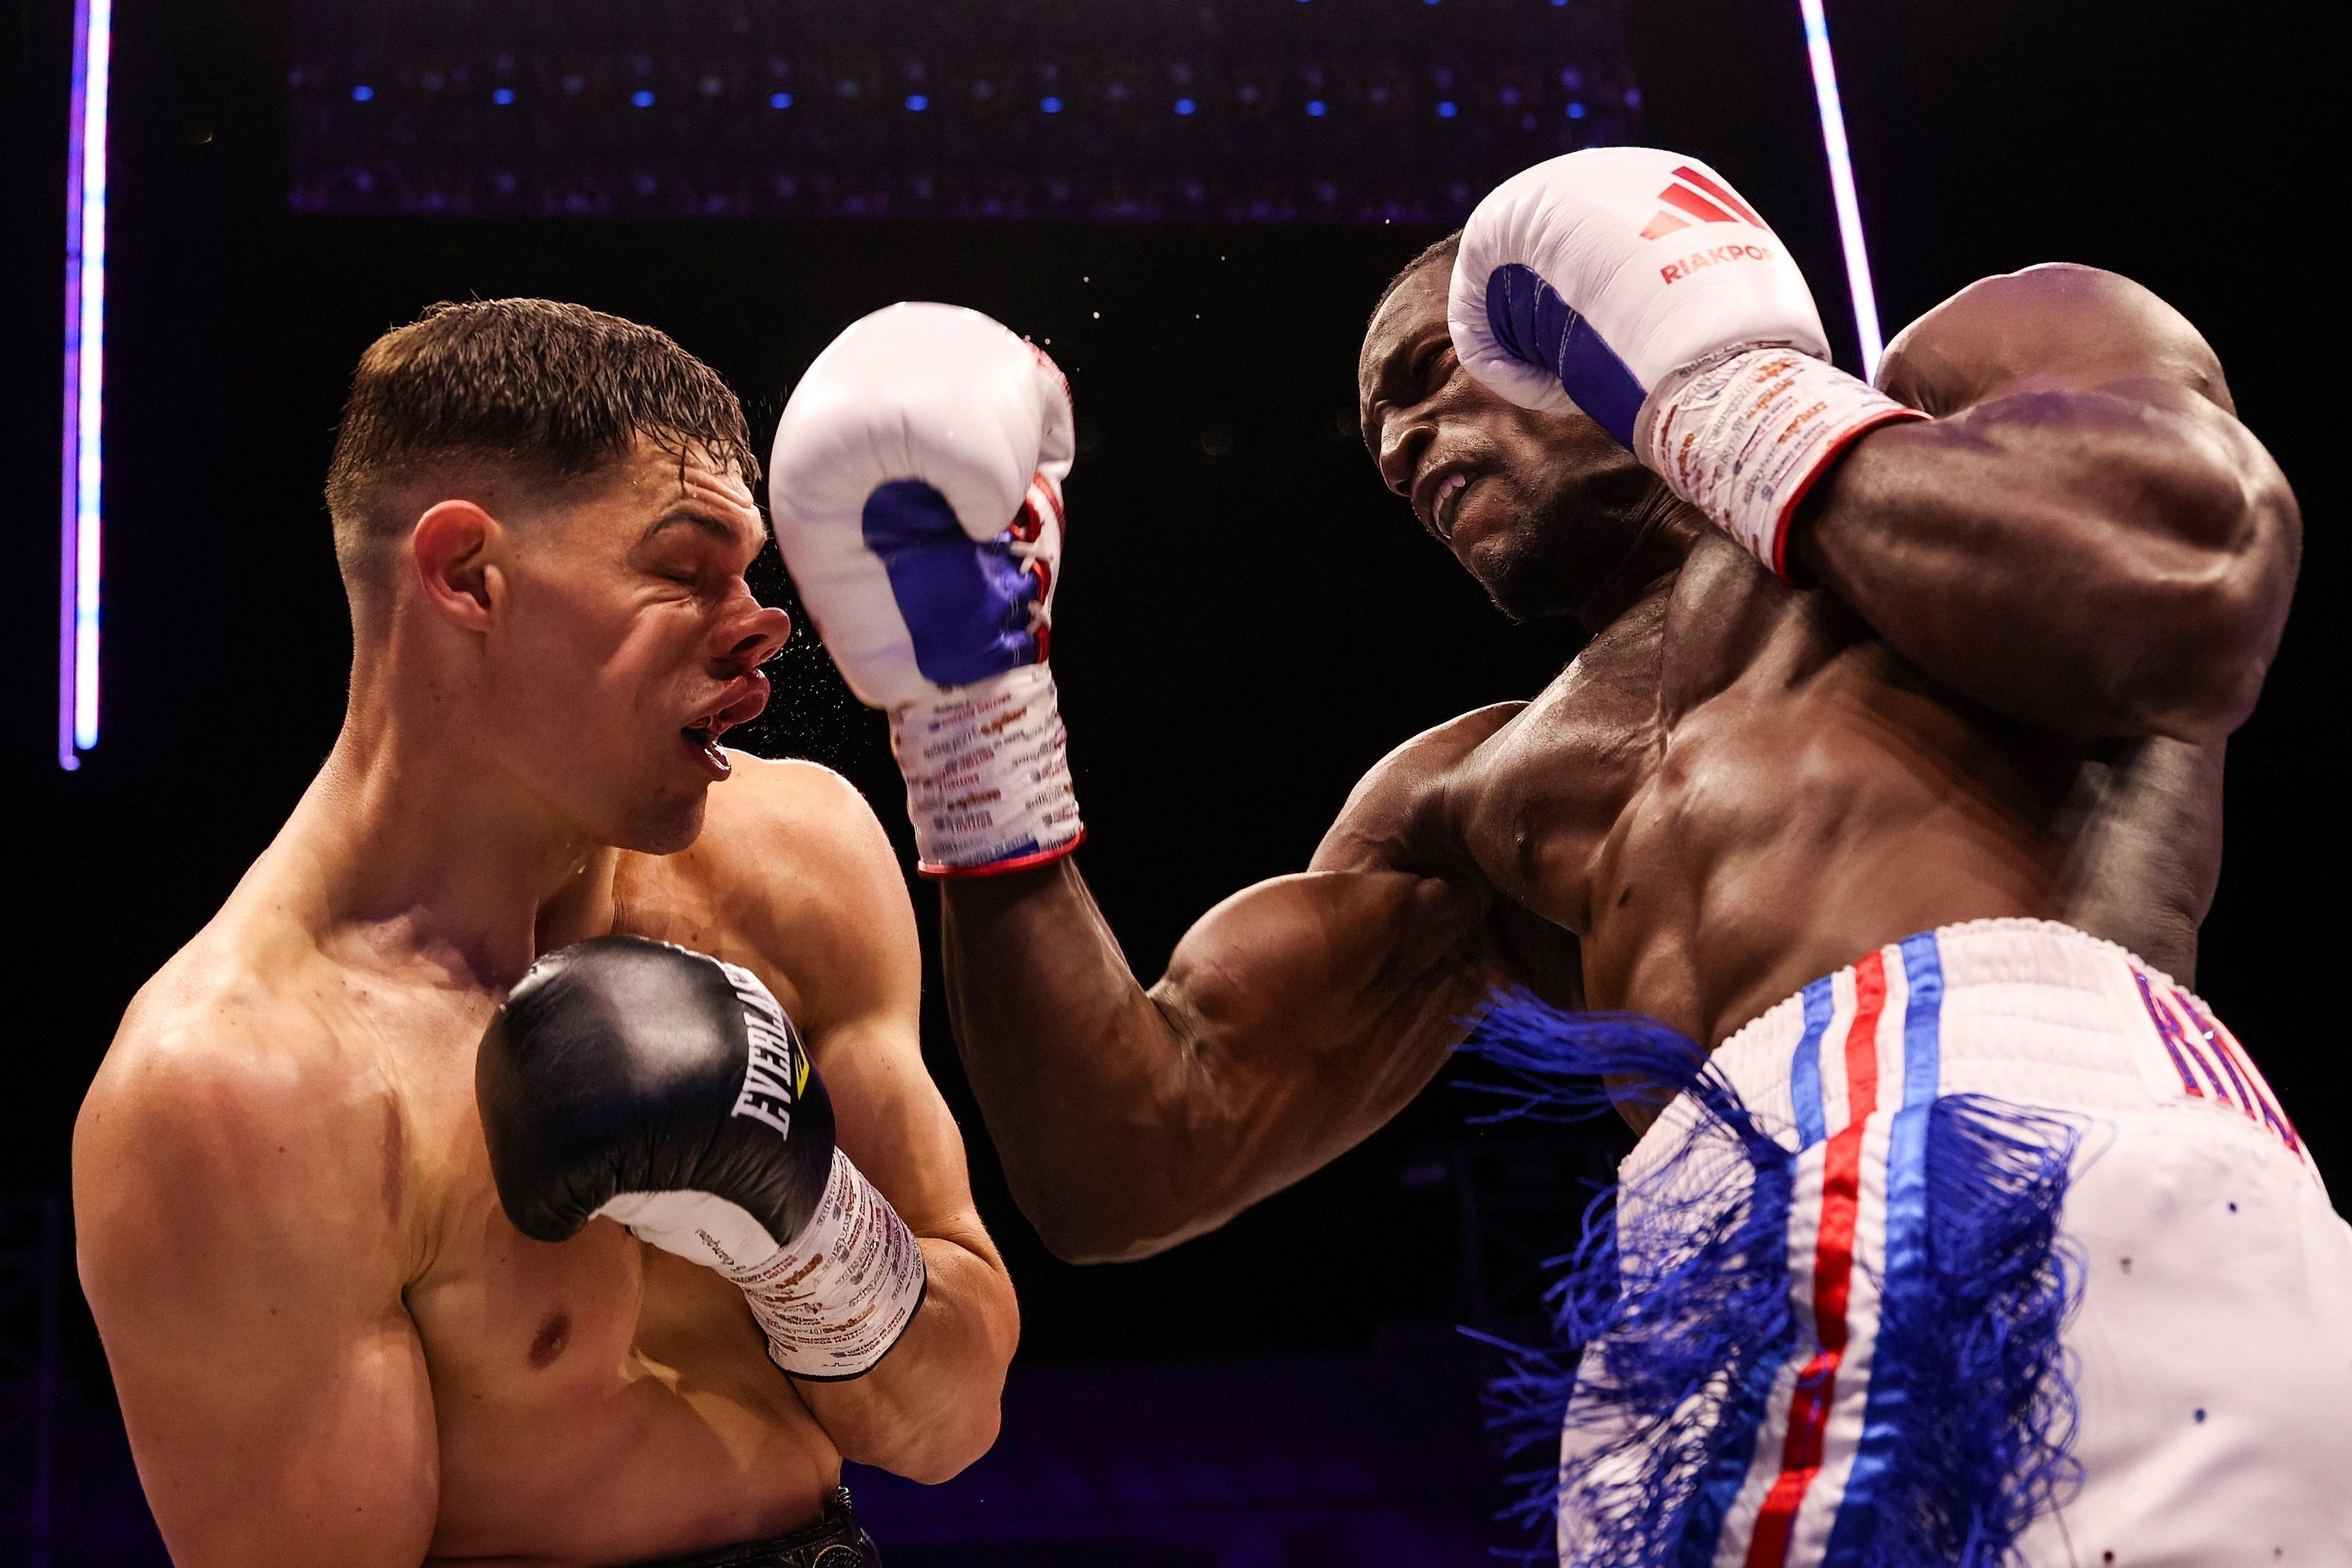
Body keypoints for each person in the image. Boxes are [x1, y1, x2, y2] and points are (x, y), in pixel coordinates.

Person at [767, 150, 2349, 1564]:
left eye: (1431, 375)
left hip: (2025, 1130)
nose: (1398, 442)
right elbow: (1134, 1159)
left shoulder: (1975, 380)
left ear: (1582, 316)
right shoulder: (1473, 794)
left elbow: (2182, 589)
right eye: (1378, 431)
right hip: (1694, 1288)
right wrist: (972, 721)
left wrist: (1732, 392)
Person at [74, 300, 1019, 1568]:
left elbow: (953, 1420)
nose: (759, 628)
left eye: (750, 575)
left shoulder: (797, 860)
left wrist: (805, 1220)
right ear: (466, 574)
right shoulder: (245, 1088)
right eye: (686, 569)